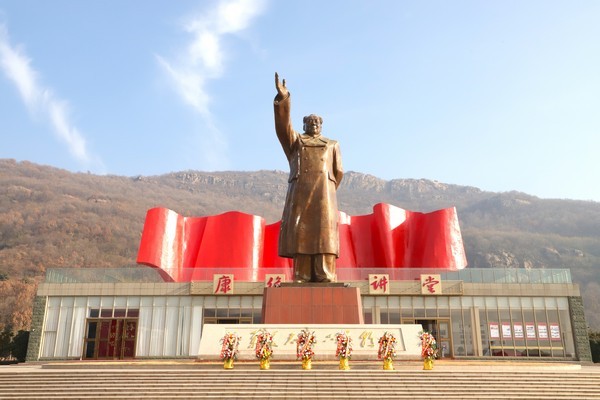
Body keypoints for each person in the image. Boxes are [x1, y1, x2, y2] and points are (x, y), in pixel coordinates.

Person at [273, 73, 344, 283]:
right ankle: (302, 274)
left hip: (324, 193)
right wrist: (284, 99)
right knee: (302, 231)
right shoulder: (296, 142)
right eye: (310, 122)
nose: (313, 125)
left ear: (321, 125)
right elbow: (283, 128)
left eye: (317, 122)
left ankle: (325, 273)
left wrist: (328, 188)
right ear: (304, 125)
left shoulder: (332, 144)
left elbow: (338, 171)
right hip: (301, 192)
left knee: (324, 233)